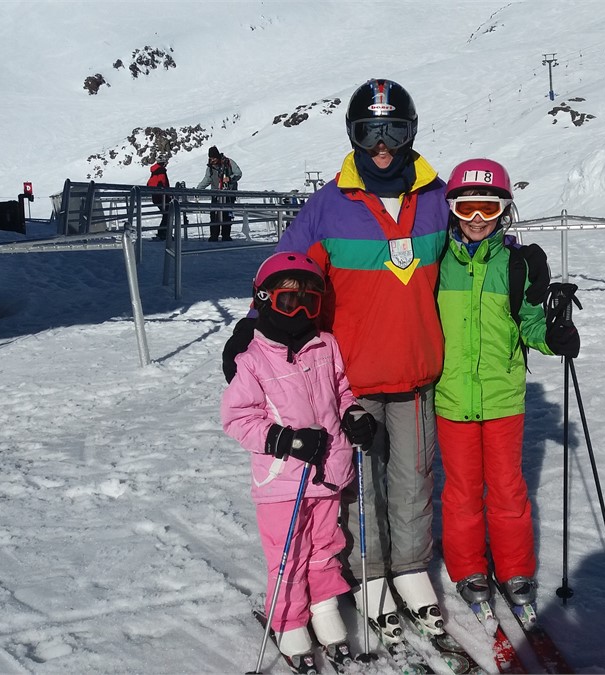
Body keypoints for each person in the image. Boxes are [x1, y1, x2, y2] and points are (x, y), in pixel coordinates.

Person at [224, 78, 449, 643]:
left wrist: (520, 267)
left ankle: (412, 568)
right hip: (349, 377)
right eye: (369, 131)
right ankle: (369, 573)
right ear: (353, 135)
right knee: (355, 484)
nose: (381, 145)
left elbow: (479, 242)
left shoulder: (438, 198)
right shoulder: (328, 205)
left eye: (393, 129)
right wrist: (250, 324)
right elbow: (287, 272)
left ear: (410, 132)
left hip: (416, 370)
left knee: (414, 479)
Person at [434, 158, 579, 613]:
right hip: (451, 397)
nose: (477, 220)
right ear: (452, 209)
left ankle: (514, 565)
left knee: (507, 487)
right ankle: (467, 566)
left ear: (505, 211)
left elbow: (530, 325)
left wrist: (553, 338)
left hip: (502, 399)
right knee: (460, 491)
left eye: (488, 209)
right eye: (467, 209)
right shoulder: (435, 261)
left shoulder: (518, 265)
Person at [220, 252, 378, 671]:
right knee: (288, 554)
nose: (303, 311)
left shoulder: (326, 345)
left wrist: (354, 415)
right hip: (282, 481)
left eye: (313, 300)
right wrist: (285, 440)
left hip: (328, 472)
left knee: (326, 548)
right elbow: (237, 418)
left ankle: (325, 612)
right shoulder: (252, 358)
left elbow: (342, 390)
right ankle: (289, 622)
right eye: (291, 302)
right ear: (265, 299)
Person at [197, 145, 242, 241]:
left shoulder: (229, 162)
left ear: (217, 156)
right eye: (210, 158)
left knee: (227, 215)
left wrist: (230, 178)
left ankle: (226, 235)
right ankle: (214, 235)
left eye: (213, 158)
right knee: (214, 215)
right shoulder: (210, 167)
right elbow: (207, 179)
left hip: (228, 194)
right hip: (216, 194)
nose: (212, 160)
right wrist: (198, 189)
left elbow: (238, 173)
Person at [147, 159, 172, 240]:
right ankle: (163, 233)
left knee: (166, 214)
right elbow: (163, 183)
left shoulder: (154, 171)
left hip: (156, 197)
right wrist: (167, 194)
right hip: (162, 197)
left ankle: (163, 232)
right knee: (168, 214)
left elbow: (149, 184)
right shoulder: (161, 171)